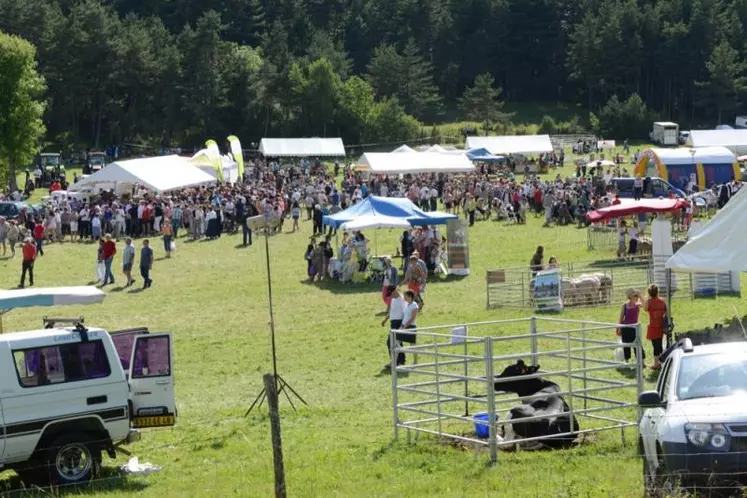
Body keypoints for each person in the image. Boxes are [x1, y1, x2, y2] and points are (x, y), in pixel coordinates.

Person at [617, 288, 645, 365]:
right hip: (625, 328)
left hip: (634, 328)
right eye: (635, 296)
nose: (636, 297)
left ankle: (641, 360)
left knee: (637, 344)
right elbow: (621, 318)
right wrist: (619, 328)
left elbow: (645, 304)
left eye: (637, 296)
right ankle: (627, 361)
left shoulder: (637, 305)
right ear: (630, 297)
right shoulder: (624, 306)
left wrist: (640, 295)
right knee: (626, 345)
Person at [644, 284, 668, 370]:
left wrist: (647, 298)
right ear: (657, 292)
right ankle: (661, 362)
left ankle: (656, 364)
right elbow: (666, 311)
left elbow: (645, 309)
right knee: (660, 344)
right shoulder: (662, 301)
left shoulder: (649, 302)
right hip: (661, 326)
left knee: (655, 346)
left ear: (649, 293)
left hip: (653, 327)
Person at [382, 286, 406, 368]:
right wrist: (385, 320)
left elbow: (405, 313)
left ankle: (398, 361)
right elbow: (391, 311)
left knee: (393, 342)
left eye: (391, 294)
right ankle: (397, 361)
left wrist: (403, 325)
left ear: (395, 291)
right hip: (393, 322)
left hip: (399, 322)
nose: (390, 296)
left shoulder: (402, 300)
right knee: (395, 342)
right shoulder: (393, 300)